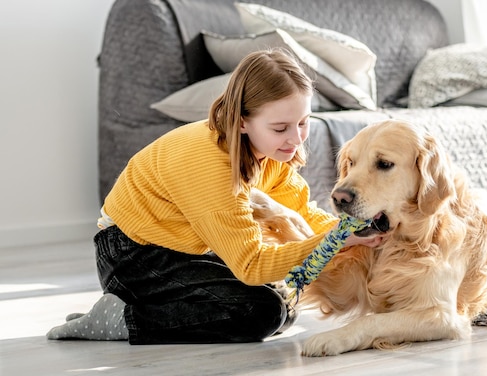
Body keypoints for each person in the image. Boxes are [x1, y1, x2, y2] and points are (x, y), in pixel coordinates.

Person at [46, 48, 384, 345]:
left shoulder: (271, 154)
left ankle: (138, 306)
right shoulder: (213, 165)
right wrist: (334, 242)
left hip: (182, 250)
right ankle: (125, 318)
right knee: (260, 313)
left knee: (286, 306)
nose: (296, 139)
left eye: (304, 122)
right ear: (240, 122)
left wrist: (354, 229)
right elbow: (251, 265)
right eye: (281, 128)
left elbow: (300, 213)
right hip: (132, 255)